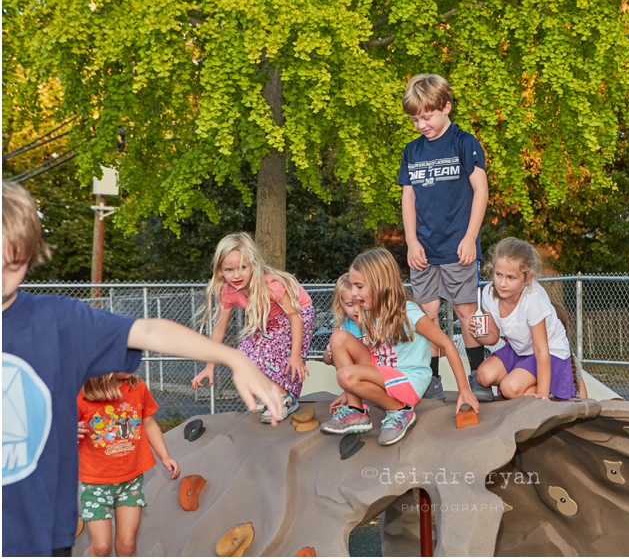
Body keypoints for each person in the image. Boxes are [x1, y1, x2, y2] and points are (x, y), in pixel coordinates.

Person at [1, 181, 283, 557]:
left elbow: (148, 330)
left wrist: (236, 358)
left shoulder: (55, 321)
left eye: (14, 264)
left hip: (37, 535)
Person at [319, 248, 479, 445]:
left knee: (345, 375)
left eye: (359, 286)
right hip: (383, 370)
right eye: (352, 286)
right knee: (338, 338)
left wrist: (464, 389)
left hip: (408, 377)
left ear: (379, 284)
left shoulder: (408, 313)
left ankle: (399, 410)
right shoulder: (369, 312)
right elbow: (368, 352)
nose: (353, 292)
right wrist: (350, 390)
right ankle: (356, 411)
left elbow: (446, 343)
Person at [397, 73, 491, 402]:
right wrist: (411, 242)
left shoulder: (465, 143)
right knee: (427, 317)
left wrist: (470, 237)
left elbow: (481, 191)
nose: (421, 124)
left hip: (458, 248)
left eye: (427, 116)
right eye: (415, 119)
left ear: (446, 106)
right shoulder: (411, 151)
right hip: (423, 250)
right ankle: (431, 379)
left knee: (468, 312)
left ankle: (479, 376)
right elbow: (408, 199)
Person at [190, 233, 315, 423]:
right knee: (243, 354)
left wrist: (295, 354)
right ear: (220, 271)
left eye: (243, 267)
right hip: (270, 318)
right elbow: (219, 328)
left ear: (253, 266)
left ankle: (284, 398)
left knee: (265, 351)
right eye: (229, 269)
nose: (237, 275)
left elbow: (294, 318)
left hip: (298, 314)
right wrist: (209, 366)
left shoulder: (270, 285)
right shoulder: (228, 291)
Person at [76, 372, 178, 557]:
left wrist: (165, 456)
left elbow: (148, 423)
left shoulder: (137, 387)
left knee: (128, 545)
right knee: (101, 547)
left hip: (130, 481)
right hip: (96, 483)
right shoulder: (81, 394)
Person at [468, 238, 576, 401]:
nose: (502, 283)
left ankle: (550, 389)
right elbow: (493, 338)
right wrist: (478, 334)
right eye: (498, 275)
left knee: (509, 388)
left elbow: (541, 350)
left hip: (550, 352)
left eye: (511, 278)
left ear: (528, 278)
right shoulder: (488, 293)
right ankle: (522, 381)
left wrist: (541, 393)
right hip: (520, 349)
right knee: (483, 376)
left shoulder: (533, 299)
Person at [323, 273, 363, 366]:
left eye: (360, 303)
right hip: (351, 372)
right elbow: (327, 361)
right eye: (350, 304)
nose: (357, 310)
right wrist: (329, 352)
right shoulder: (342, 327)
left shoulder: (376, 323)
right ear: (341, 305)